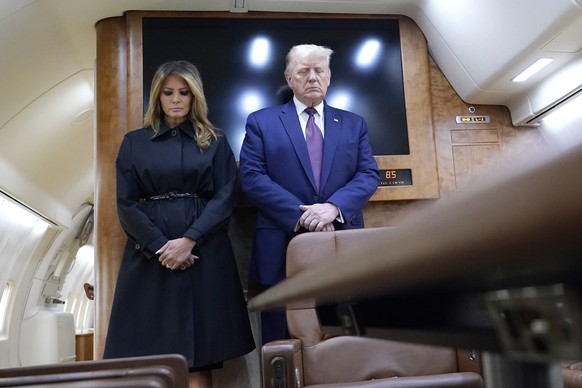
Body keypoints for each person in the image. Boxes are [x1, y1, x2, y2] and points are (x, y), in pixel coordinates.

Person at [104, 60, 255, 388]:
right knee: (153, 349)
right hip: (150, 256)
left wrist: (189, 240)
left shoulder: (214, 140)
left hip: (205, 251)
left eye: (184, 93)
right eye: (168, 92)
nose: (176, 99)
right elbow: (126, 205)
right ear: (157, 97)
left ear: (194, 97)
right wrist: (162, 245)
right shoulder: (134, 142)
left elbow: (224, 197)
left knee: (202, 350)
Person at [239, 44, 380, 344]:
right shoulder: (261, 122)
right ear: (290, 79)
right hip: (280, 246)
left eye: (320, 71)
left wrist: (332, 207)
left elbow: (368, 174)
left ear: (329, 78)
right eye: (304, 71)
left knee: (346, 333)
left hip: (341, 240)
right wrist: (304, 216)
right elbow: (251, 177)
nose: (313, 77)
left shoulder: (355, 124)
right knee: (281, 338)